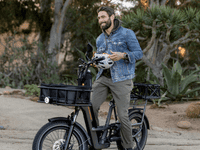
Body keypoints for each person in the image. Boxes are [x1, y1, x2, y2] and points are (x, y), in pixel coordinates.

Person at [91, 6, 143, 150]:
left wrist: (123, 55)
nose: (100, 20)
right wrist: (97, 62)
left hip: (122, 79)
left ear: (112, 17)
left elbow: (139, 53)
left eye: (103, 17)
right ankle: (96, 141)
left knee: (122, 115)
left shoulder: (127, 33)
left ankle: (127, 147)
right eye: (99, 18)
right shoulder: (100, 39)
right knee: (91, 107)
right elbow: (103, 60)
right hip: (103, 78)